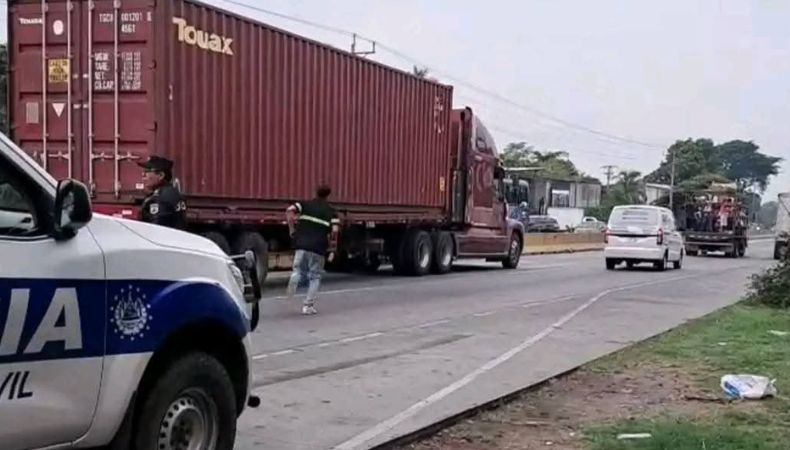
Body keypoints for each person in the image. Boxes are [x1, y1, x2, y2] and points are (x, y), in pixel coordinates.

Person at [286, 185, 339, 315]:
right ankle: (307, 306)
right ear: (328, 195)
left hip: (301, 244)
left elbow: (289, 210)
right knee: (315, 276)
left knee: (297, 270)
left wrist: (292, 229)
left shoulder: (304, 205)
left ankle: (291, 289)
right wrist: (332, 250)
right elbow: (334, 232)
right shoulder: (331, 211)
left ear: (316, 192)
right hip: (318, 248)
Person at [138, 155, 187, 230]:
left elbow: (156, 229)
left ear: (161, 175)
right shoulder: (175, 193)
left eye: (147, 171)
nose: (143, 175)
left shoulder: (159, 199)